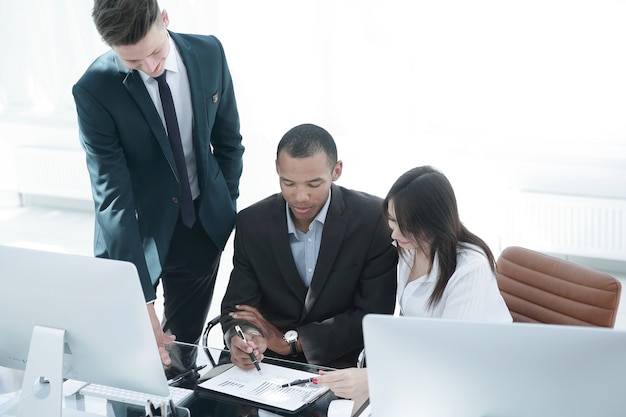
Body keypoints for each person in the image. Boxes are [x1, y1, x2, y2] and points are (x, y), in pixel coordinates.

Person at [72, 0, 244, 367]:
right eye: (134, 62)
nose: (151, 67)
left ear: (165, 19)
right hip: (133, 234)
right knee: (133, 359)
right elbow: (113, 198)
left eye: (155, 52)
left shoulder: (209, 52)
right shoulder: (94, 90)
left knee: (180, 357)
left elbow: (229, 143)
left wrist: (223, 204)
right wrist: (140, 300)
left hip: (201, 229)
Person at [316, 165, 512, 399]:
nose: (394, 234)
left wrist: (376, 379)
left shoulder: (470, 268)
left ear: (435, 221)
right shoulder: (408, 248)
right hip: (424, 369)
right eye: (392, 221)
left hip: (473, 378)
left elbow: (452, 357)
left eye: (406, 226)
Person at [220, 123, 398, 370]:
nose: (300, 196)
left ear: (336, 171)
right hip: (264, 362)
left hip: (340, 363)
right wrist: (244, 338)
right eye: (288, 183)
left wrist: (293, 343)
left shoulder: (373, 220)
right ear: (276, 169)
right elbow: (238, 308)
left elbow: (374, 315)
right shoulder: (252, 223)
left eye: (313, 184)